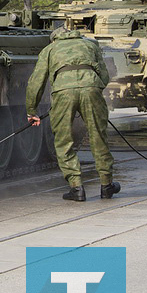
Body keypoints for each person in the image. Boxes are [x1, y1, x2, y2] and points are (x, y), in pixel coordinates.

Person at [25, 26, 119, 202]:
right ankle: (107, 185)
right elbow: (104, 75)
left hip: (63, 92)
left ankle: (76, 188)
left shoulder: (49, 49)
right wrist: (93, 91)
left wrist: (32, 111)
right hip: (91, 88)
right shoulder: (90, 45)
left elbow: (36, 82)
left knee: (63, 140)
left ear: (55, 38)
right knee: (98, 136)